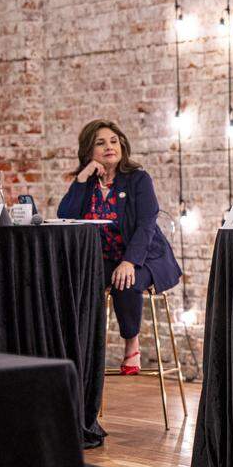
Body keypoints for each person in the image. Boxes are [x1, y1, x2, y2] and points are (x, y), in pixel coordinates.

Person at [59, 120, 182, 374]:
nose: (109, 147)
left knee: (125, 280)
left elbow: (146, 224)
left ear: (122, 146)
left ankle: (132, 345)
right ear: (88, 151)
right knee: (77, 280)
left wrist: (129, 261)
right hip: (105, 257)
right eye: (100, 143)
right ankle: (82, 349)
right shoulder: (88, 183)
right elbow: (65, 216)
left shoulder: (138, 179)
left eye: (114, 141)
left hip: (145, 257)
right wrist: (81, 178)